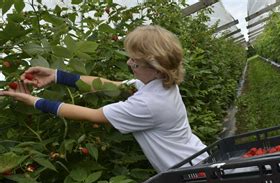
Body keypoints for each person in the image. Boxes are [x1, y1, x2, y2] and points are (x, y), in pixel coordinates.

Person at [0, 25, 208, 172]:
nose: (129, 63)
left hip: (190, 170)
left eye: (134, 62)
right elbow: (109, 85)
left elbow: (93, 115)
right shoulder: (160, 84)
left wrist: (35, 102)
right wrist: (57, 76)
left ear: (156, 68)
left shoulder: (149, 104)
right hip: (195, 156)